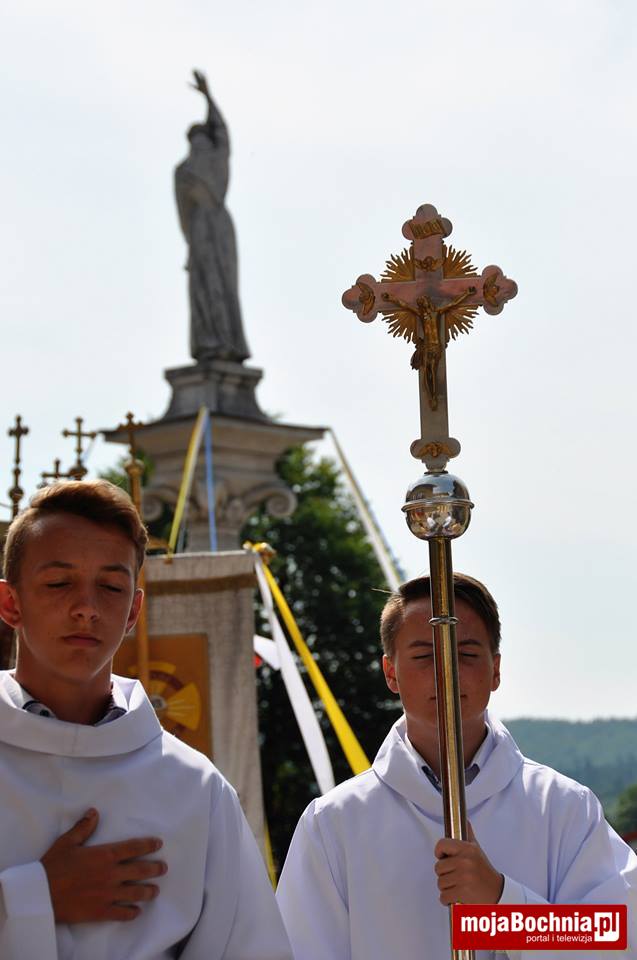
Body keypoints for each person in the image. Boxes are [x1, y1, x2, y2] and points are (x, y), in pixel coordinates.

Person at [0, 479, 292, 960]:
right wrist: (34, 899)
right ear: (11, 603)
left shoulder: (195, 787)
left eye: (111, 587)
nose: (87, 609)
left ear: (134, 610)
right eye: (58, 583)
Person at [276, 573, 637, 959]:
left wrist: (500, 902)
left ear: (495, 669)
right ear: (390, 672)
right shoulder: (335, 823)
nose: (446, 671)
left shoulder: (564, 807)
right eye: (423, 656)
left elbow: (617, 936)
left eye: (465, 654)